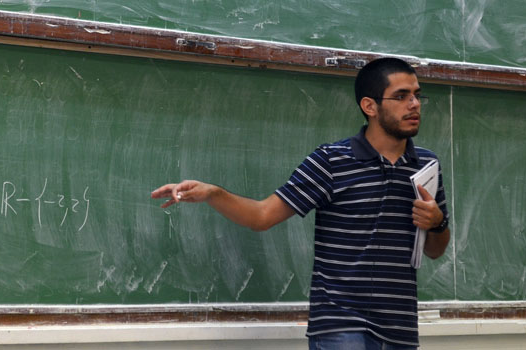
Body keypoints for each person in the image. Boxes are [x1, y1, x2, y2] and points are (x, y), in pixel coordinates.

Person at [151, 57, 450, 349]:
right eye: (401, 96)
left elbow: (435, 249)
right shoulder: (331, 161)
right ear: (370, 106)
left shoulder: (425, 165)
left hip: (400, 328)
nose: (414, 104)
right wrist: (213, 193)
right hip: (340, 325)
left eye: (417, 95)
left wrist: (437, 222)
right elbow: (262, 216)